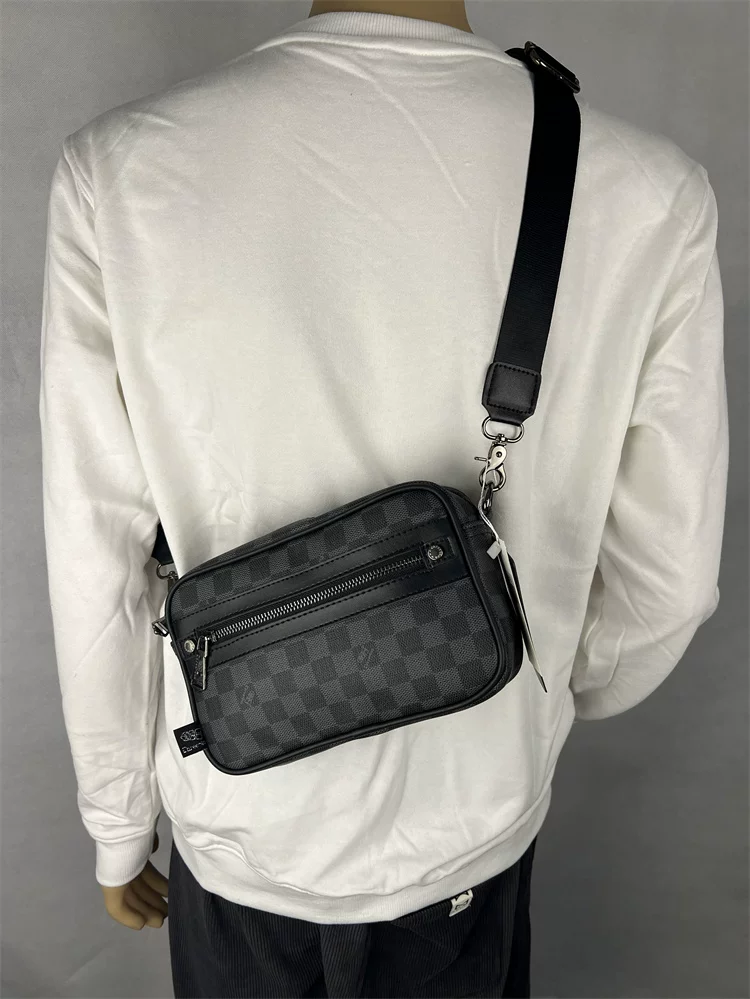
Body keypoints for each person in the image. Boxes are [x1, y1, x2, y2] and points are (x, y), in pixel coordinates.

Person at [38, 1, 728, 996]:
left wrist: (117, 824)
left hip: (239, 816)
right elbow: (670, 581)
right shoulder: (649, 190)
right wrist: (532, 697)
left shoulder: (117, 170)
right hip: (474, 819)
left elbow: (93, 556)